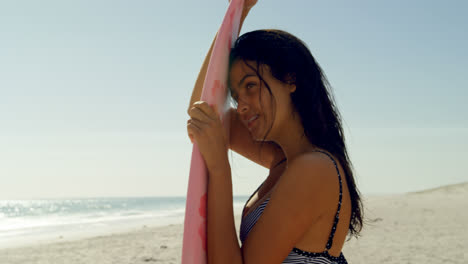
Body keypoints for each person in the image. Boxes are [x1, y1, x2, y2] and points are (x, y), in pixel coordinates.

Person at [187, 1, 363, 263]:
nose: (242, 105)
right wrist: (237, 14)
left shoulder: (315, 169)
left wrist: (220, 170)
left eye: (251, 86)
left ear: (290, 80)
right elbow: (202, 113)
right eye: (235, 95)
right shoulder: (283, 158)